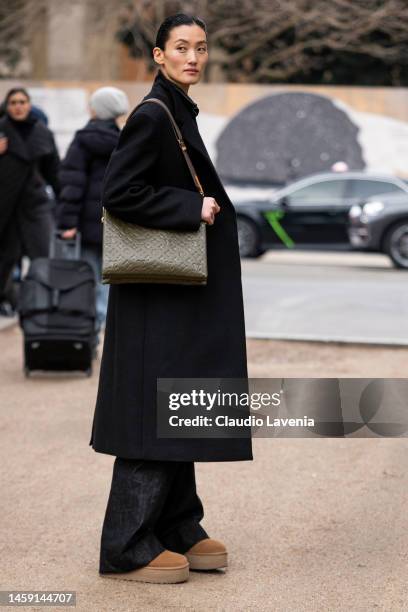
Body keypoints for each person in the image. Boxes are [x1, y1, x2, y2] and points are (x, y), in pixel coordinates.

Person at [90, 13, 253, 584]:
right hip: (157, 296)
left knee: (179, 406)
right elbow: (119, 192)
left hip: (178, 295)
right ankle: (127, 544)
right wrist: (193, 208)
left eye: (201, 48)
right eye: (181, 47)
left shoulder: (178, 110)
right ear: (158, 56)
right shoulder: (154, 114)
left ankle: (179, 525)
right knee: (149, 412)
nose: (193, 57)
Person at [58, 87, 129, 334]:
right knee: (109, 279)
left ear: (97, 109)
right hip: (115, 224)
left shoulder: (82, 140)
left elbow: (72, 185)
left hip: (86, 224)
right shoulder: (126, 142)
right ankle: (106, 327)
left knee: (85, 277)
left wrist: (67, 223)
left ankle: (87, 330)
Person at [0, 88, 60, 315]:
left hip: (35, 205)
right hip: (5, 205)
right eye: (13, 102)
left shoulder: (42, 131)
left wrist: (64, 203)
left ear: (29, 104)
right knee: (6, 258)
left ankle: (44, 303)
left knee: (42, 255)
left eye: (22, 102)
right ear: (7, 106)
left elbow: (54, 171)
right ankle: (6, 299)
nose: (18, 106)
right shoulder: (1, 129)